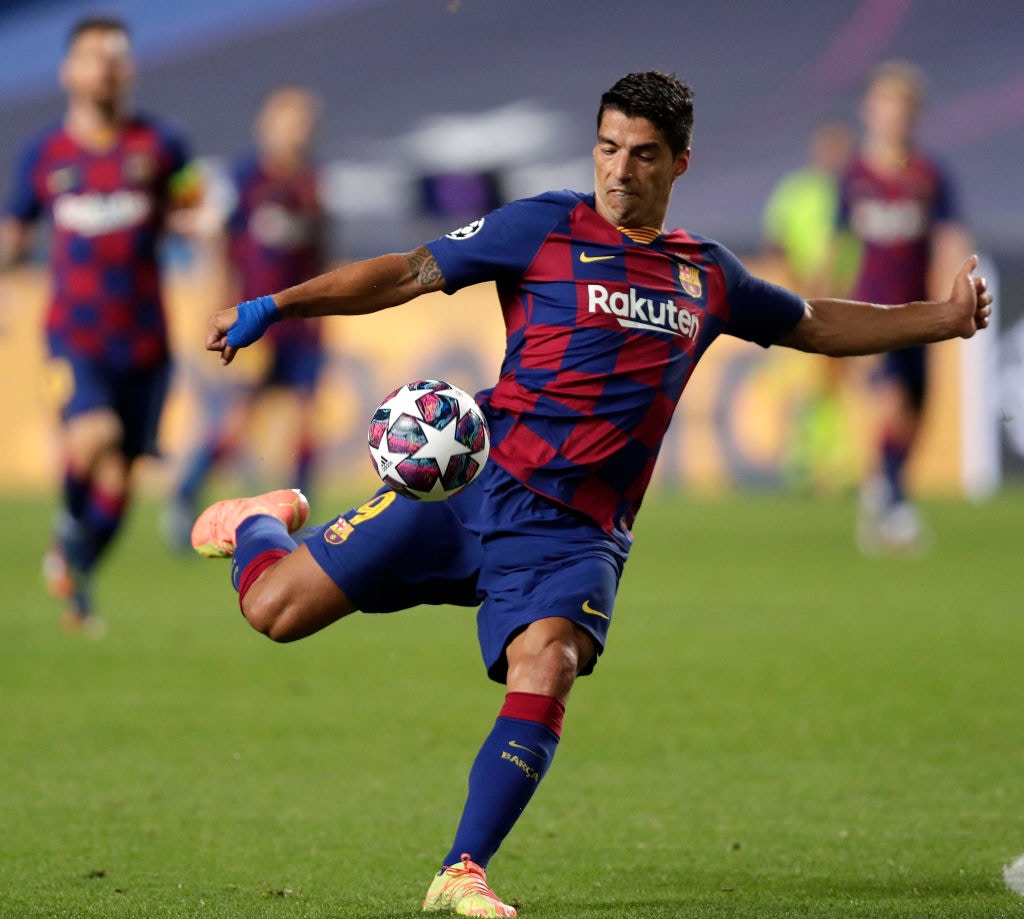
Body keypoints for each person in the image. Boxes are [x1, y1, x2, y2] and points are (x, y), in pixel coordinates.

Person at [191, 72, 991, 915]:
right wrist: (275, 306)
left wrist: (941, 318)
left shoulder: (705, 275)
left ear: (680, 162)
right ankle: (258, 521)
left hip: (575, 535)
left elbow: (814, 322)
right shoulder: (541, 226)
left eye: (643, 155)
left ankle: (462, 869)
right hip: (473, 485)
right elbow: (406, 273)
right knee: (273, 610)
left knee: (550, 660)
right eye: (608, 148)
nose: (620, 170)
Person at [0, 15, 199, 634]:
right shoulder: (45, 154)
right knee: (94, 435)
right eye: (92, 55)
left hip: (145, 340)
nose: (105, 67)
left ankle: (77, 575)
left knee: (119, 477)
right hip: (74, 335)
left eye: (115, 56)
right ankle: (67, 527)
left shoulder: (162, 145)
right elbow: (14, 231)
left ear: (129, 68)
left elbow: (194, 208)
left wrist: (201, 228)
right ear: (69, 70)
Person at [163, 84, 328, 549]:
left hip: (302, 325)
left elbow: (321, 252)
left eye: (305, 122)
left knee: (306, 418)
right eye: (290, 121)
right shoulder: (244, 179)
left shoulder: (312, 183)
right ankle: (185, 496)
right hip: (256, 320)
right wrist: (220, 305)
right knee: (239, 420)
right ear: (267, 125)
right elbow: (219, 243)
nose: (298, 131)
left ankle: (301, 521)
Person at [836, 60, 972, 554]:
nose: (894, 115)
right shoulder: (854, 176)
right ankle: (895, 504)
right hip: (871, 312)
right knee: (890, 400)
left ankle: (883, 486)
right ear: (869, 110)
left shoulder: (930, 175)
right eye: (886, 104)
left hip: (920, 312)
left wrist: (954, 287)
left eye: (903, 106)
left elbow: (951, 234)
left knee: (916, 407)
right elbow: (838, 246)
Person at [761, 120, 861, 493]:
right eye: (830, 146)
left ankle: (834, 464)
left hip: (845, 301)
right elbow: (777, 243)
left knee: (835, 381)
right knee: (805, 382)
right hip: (799, 303)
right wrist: (798, 286)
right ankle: (802, 461)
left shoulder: (856, 192)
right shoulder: (796, 191)